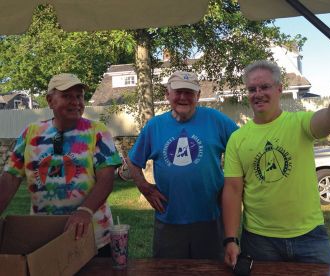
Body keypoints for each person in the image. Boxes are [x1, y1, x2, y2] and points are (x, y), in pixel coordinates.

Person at [222, 37, 330, 266]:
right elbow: (232, 191)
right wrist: (231, 239)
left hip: (309, 235)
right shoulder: (237, 139)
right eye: (252, 89)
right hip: (260, 239)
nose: (258, 93)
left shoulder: (300, 124)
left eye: (265, 87)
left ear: (279, 89)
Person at [0, 73, 121, 256]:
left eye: (79, 96)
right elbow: (10, 179)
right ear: (50, 101)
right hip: (44, 235)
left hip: (93, 234)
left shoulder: (97, 131)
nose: (76, 102)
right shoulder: (31, 134)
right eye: (67, 96)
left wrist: (85, 211)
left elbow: (106, 179)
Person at [127, 70, 238, 259]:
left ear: (198, 96)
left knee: (210, 270)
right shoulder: (155, 125)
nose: (183, 97)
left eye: (189, 92)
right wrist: (145, 188)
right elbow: (132, 161)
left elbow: (243, 147)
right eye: (178, 92)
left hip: (211, 217)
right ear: (167, 94)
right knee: (168, 270)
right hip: (169, 218)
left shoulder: (215, 119)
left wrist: (232, 185)